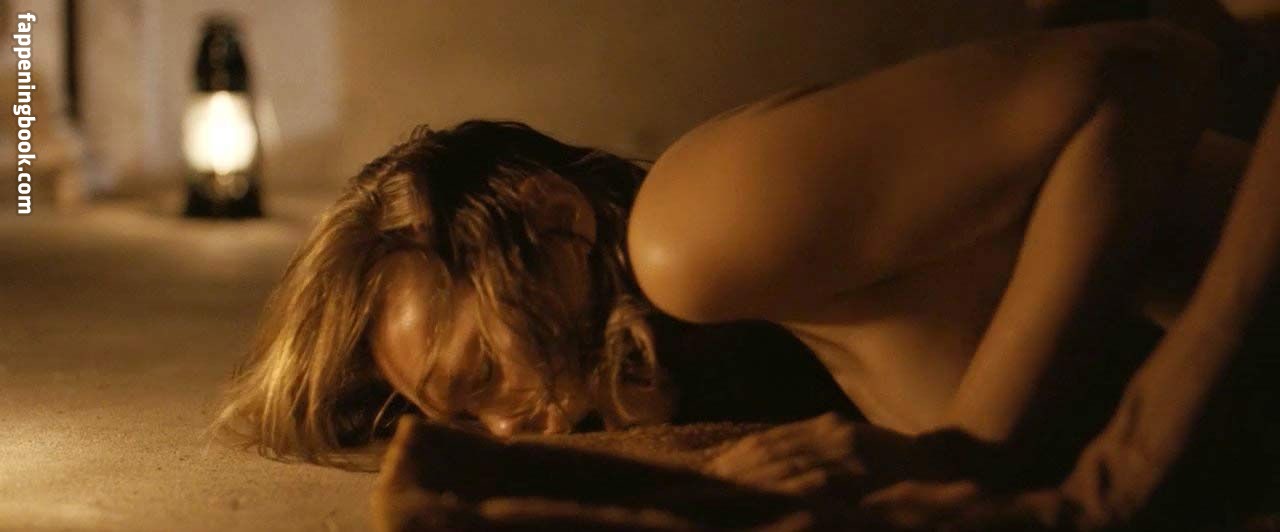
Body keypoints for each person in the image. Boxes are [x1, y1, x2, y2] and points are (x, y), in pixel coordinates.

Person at [214, 3, 1280, 529]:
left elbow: (1149, 69)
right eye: (469, 420)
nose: (507, 427)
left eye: (480, 374)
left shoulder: (687, 232)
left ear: (552, 218)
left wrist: (987, 448)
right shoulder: (746, 355)